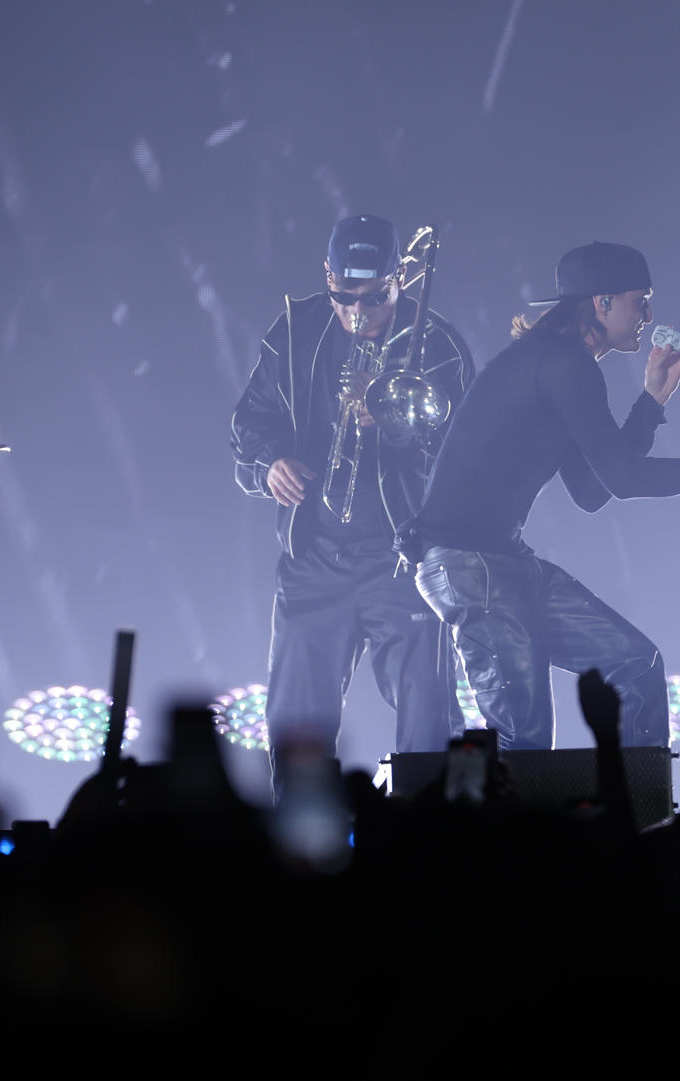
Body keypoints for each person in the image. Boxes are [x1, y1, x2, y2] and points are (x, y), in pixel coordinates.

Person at [402, 242, 680, 750]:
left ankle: (639, 821)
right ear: (602, 303)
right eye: (642, 301)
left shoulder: (559, 363)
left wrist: (653, 398)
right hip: (469, 567)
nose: (649, 316)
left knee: (637, 667)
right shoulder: (560, 363)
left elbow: (591, 490)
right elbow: (625, 479)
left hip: (502, 561)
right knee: (525, 743)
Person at [230, 215, 475, 795]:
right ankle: (304, 858)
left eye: (376, 297)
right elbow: (248, 421)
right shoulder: (296, 330)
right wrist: (270, 463)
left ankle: (427, 848)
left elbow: (465, 460)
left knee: (429, 716)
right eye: (344, 296)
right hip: (313, 558)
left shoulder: (436, 346)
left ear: (401, 278)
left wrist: (394, 423)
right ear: (327, 277)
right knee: (295, 731)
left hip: (401, 563)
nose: (357, 312)